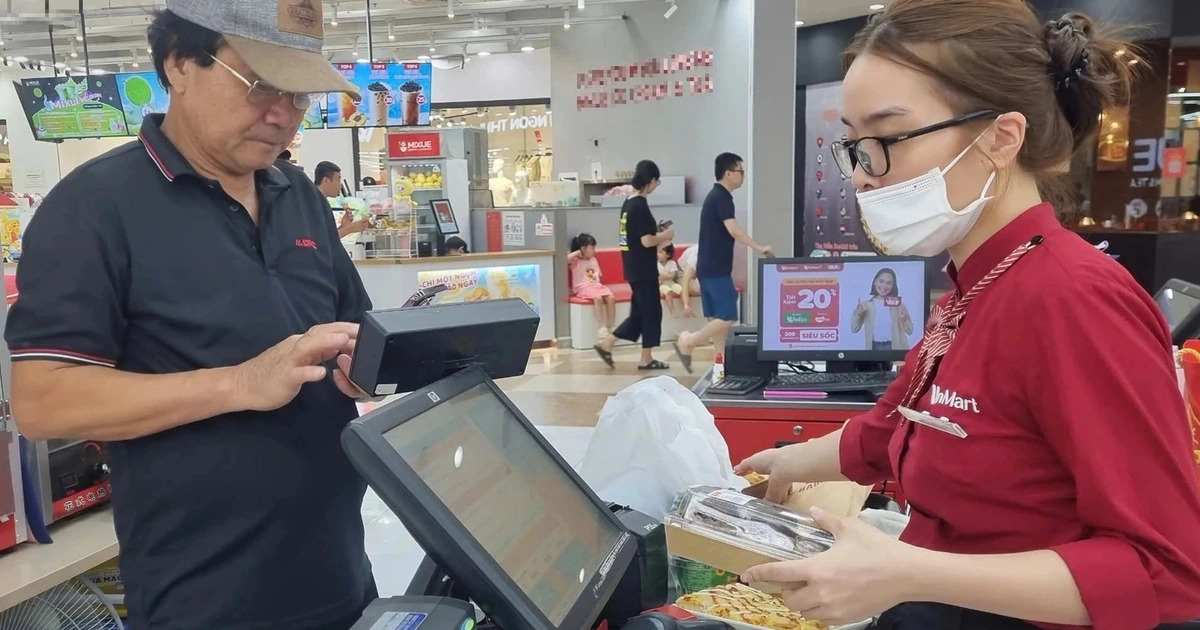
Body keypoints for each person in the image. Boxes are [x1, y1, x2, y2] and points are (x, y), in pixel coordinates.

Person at [736, 2, 1200, 629]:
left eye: (886, 140)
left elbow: (1166, 572)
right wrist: (786, 461)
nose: (863, 178)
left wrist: (909, 572)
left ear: (1000, 138)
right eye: (853, 146)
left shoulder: (1072, 300)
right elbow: (894, 429)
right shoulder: (975, 285)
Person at [4, 3, 381, 629]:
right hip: (207, 599)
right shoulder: (94, 208)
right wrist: (239, 383)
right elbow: (43, 402)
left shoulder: (298, 196)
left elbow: (352, 331)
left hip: (340, 573)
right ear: (179, 63)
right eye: (260, 85)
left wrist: (379, 363)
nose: (282, 114)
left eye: (298, 94)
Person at [674, 152, 772, 372]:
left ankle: (721, 367)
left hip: (707, 268)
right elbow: (734, 230)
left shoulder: (715, 196)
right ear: (728, 173)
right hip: (716, 269)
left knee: (716, 322)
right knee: (728, 316)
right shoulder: (721, 197)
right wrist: (759, 247)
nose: (743, 176)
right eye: (740, 171)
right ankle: (688, 340)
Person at [594, 160, 674, 370]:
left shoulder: (628, 204)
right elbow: (646, 241)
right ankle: (645, 358)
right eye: (657, 181)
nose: (656, 185)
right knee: (651, 312)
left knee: (640, 312)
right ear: (651, 180)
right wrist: (665, 235)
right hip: (643, 268)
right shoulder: (640, 206)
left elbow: (634, 236)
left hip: (632, 265)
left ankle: (608, 344)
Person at [849, 267, 914, 351]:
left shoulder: (898, 304)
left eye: (889, 283)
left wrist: (904, 318)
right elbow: (854, 329)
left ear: (893, 286)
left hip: (895, 348)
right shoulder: (866, 305)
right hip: (874, 348)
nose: (884, 286)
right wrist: (857, 313)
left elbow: (910, 331)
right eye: (881, 281)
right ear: (875, 282)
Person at [568, 233, 617, 338]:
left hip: (596, 286)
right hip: (583, 288)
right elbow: (564, 260)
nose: (594, 251)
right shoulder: (576, 261)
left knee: (611, 297)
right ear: (583, 248)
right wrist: (577, 253)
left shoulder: (594, 260)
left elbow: (597, 275)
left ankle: (612, 326)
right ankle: (601, 327)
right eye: (592, 248)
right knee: (598, 298)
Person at [658, 243, 684, 318]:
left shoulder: (672, 263)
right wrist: (666, 276)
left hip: (671, 283)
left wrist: (664, 276)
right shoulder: (655, 264)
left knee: (682, 290)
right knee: (668, 291)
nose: (657, 254)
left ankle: (686, 306)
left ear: (668, 255)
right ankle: (672, 311)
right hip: (661, 285)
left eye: (660, 252)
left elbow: (672, 275)